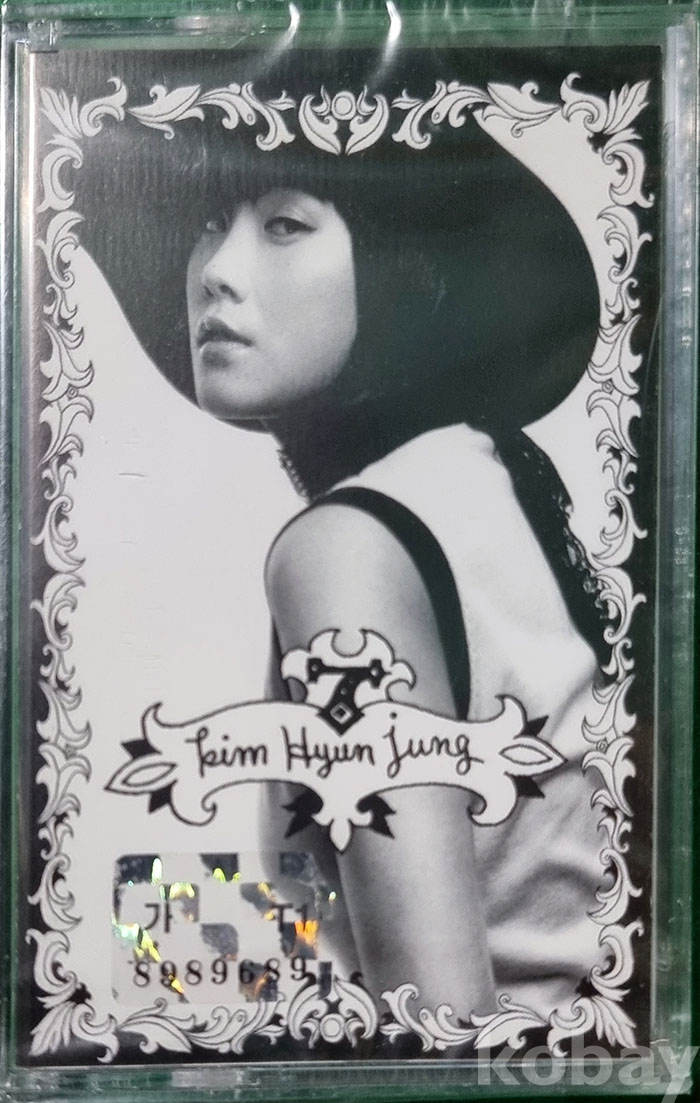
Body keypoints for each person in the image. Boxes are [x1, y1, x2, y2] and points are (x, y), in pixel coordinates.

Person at [81, 53, 610, 1027]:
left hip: (514, 1074)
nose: (216, 273)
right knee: (126, 937)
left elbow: (437, 1025)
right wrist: (138, 944)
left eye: (284, 225)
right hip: (565, 1052)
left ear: (400, 267)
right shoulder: (472, 467)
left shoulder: (345, 545)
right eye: (208, 224)